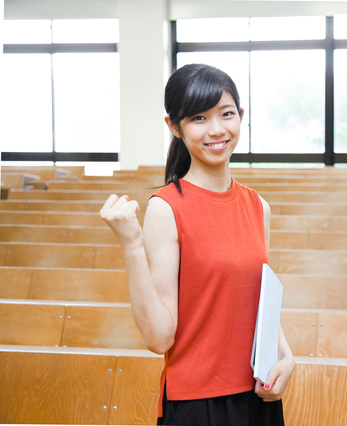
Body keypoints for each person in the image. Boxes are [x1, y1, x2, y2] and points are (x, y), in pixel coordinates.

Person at [99, 63, 294, 426]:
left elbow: (259, 303)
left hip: (258, 396)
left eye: (227, 114)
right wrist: (131, 245)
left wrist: (287, 356)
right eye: (199, 118)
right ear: (174, 126)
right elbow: (159, 338)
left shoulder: (258, 207)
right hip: (198, 403)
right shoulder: (166, 207)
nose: (217, 130)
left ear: (241, 116)